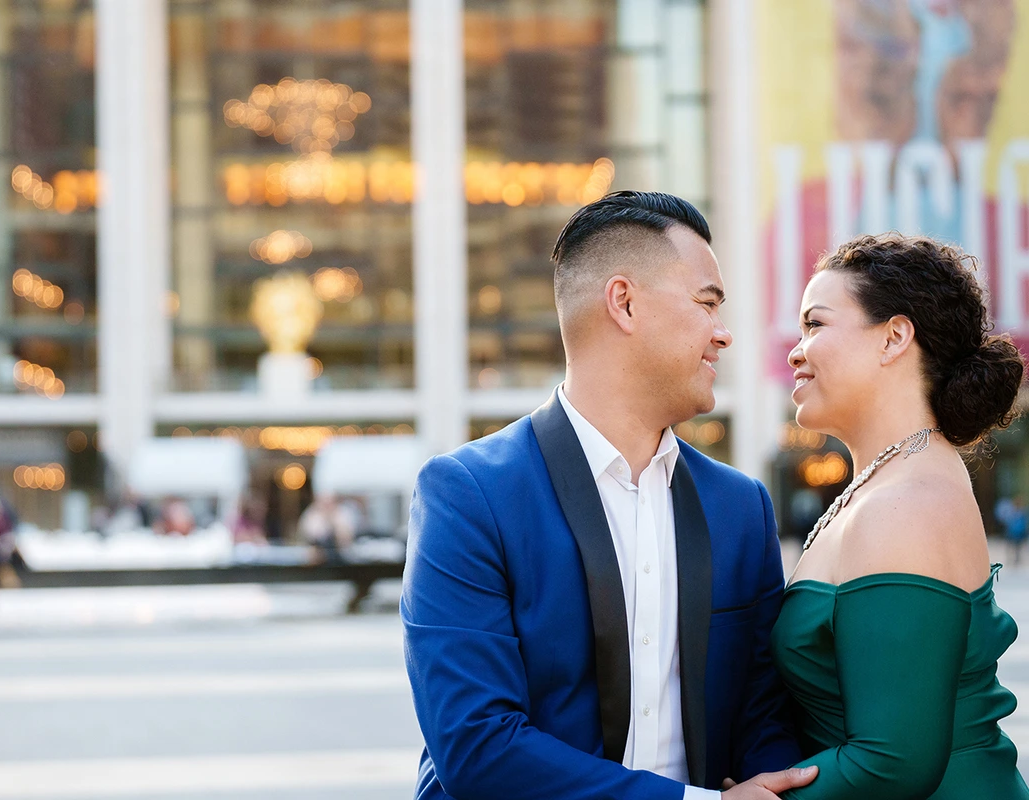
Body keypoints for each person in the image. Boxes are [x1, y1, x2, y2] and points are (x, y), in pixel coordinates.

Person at [402, 191, 815, 800]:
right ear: (624, 302)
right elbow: (476, 744)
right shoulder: (469, 494)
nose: (723, 334)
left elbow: (764, 713)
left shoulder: (739, 506)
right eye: (707, 304)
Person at [775, 233, 1029, 798]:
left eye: (815, 324)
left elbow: (892, 763)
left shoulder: (906, 504)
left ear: (893, 338)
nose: (796, 351)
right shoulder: (887, 484)